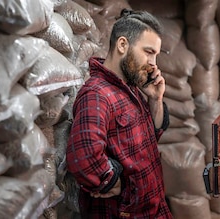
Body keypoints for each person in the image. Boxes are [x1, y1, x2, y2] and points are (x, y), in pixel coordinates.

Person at [65, 9, 172, 219]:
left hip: (154, 209)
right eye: (148, 52)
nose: (154, 64)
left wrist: (155, 99)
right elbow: (83, 158)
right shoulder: (97, 94)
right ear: (122, 45)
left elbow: (151, 137)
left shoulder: (130, 88)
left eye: (156, 55)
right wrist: (112, 181)